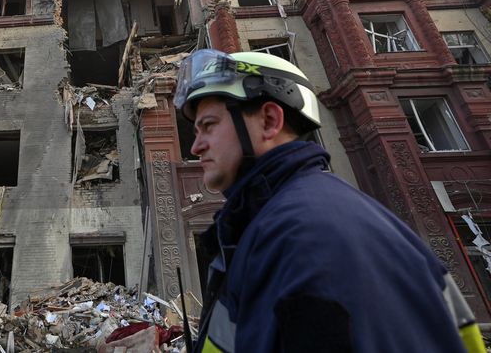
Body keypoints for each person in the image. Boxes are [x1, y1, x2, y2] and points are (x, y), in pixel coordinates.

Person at [173, 49, 484, 353]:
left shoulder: (310, 236)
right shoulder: (270, 225)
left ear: (269, 120)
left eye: (209, 125)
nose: (197, 146)